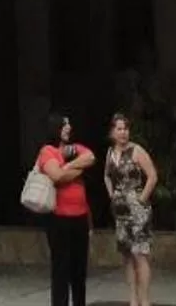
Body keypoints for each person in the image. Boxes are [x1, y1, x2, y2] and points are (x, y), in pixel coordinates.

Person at [35, 111, 96, 306]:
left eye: (69, 124)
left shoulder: (74, 149)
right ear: (55, 127)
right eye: (64, 124)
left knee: (79, 270)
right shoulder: (47, 151)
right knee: (61, 269)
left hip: (80, 217)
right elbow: (56, 177)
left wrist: (68, 167)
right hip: (59, 218)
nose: (69, 127)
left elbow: (91, 157)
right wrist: (76, 169)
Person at [104, 112, 158, 306]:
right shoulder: (111, 153)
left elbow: (152, 176)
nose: (123, 133)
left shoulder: (136, 150)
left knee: (140, 254)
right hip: (120, 212)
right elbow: (107, 175)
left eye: (125, 128)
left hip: (137, 210)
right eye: (119, 129)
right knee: (127, 255)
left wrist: (141, 198)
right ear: (112, 131)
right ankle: (133, 299)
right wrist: (112, 195)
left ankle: (145, 300)